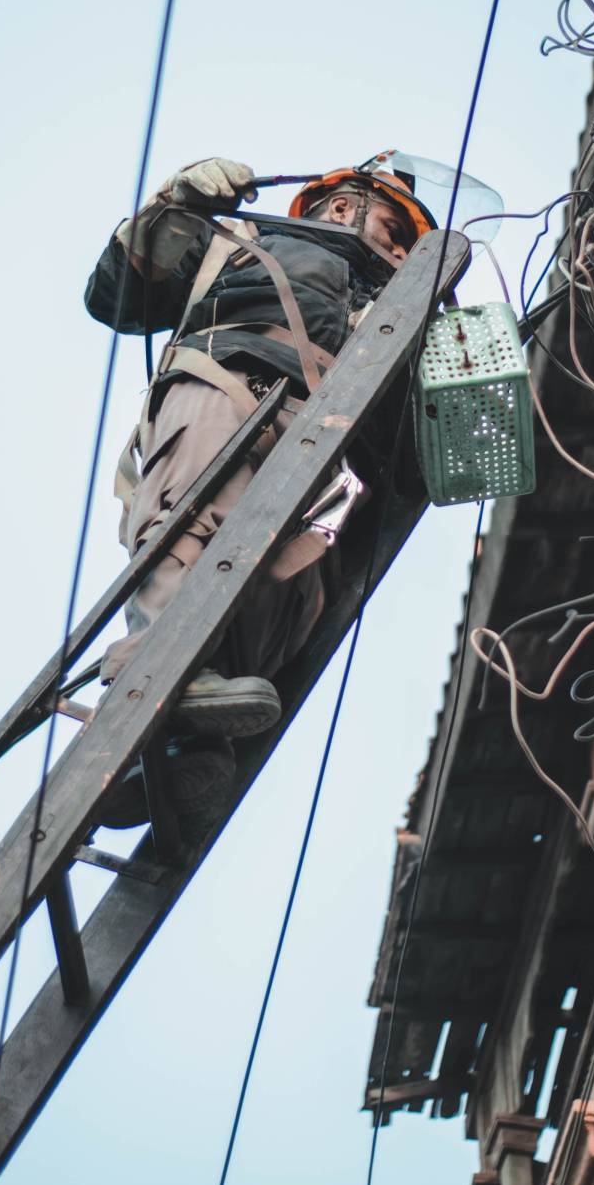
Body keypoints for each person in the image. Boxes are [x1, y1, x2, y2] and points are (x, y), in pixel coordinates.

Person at [84, 156, 435, 827]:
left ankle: (183, 747)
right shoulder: (247, 244)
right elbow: (117, 295)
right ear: (335, 208)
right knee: (194, 521)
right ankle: (150, 679)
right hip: (233, 388)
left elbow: (418, 456)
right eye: (385, 223)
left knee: (293, 586)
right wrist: (175, 206)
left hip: (330, 453)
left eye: (404, 239)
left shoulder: (404, 313)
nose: (392, 245)